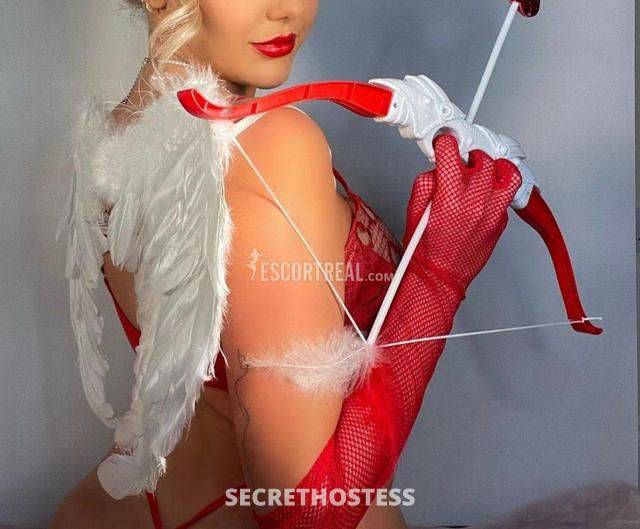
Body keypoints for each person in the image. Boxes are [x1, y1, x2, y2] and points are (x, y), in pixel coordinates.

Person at [51, 1, 522, 528]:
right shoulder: (272, 148)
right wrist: (439, 274)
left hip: (147, 503)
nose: (287, 10)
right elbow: (310, 516)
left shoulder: (114, 138)